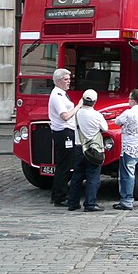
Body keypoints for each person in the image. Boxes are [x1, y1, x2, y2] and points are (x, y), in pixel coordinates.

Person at [113, 89, 138, 211]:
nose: (128, 101)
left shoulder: (128, 113)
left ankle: (127, 201)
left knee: (128, 175)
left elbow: (117, 122)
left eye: (129, 99)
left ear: (134, 100)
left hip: (130, 147)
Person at [68, 89, 108, 212]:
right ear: (95, 101)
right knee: (93, 176)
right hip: (93, 148)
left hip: (79, 147)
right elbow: (105, 128)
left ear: (83, 100)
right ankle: (90, 203)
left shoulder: (77, 114)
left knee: (77, 176)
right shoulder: (97, 115)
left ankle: (73, 203)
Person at [48, 68, 82, 206]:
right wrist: (79, 106)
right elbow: (65, 116)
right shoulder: (57, 95)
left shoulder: (62, 94)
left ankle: (58, 194)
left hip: (66, 130)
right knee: (64, 166)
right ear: (58, 81)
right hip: (63, 132)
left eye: (69, 79)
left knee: (65, 164)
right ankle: (59, 197)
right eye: (66, 79)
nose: (69, 82)